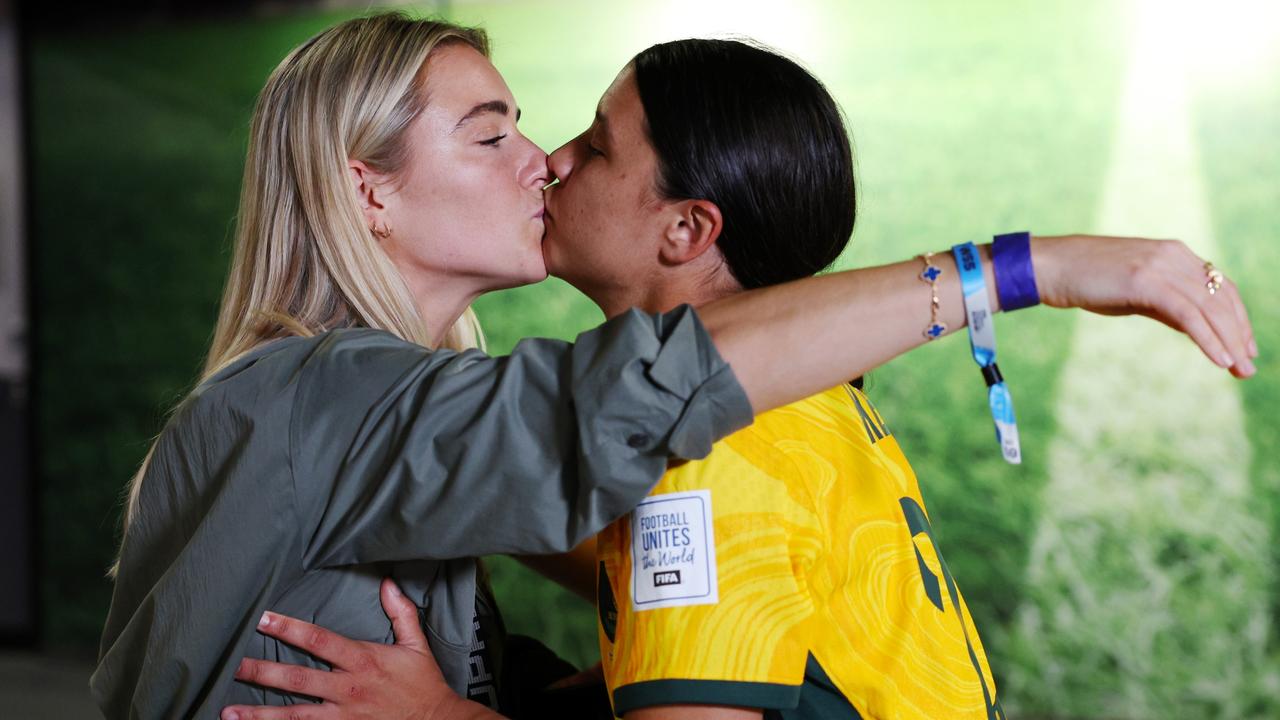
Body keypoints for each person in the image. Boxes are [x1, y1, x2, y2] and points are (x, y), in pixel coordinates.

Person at [90, 11, 1255, 720]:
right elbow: (633, 397)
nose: (541, 162)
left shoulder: (374, 411)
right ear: (368, 189)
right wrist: (1019, 268)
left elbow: (629, 439)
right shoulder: (321, 396)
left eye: (563, 138)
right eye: (491, 133)